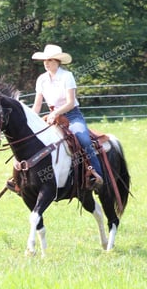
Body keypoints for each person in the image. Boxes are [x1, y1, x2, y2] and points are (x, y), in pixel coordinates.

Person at [30, 44, 104, 191]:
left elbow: (70, 103)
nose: (46, 63)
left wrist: (55, 113)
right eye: (45, 60)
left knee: (84, 139)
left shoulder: (66, 76)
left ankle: (97, 175)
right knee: (31, 140)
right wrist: (30, 121)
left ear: (58, 61)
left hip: (71, 116)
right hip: (52, 117)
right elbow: (37, 106)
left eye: (50, 60)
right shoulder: (41, 79)